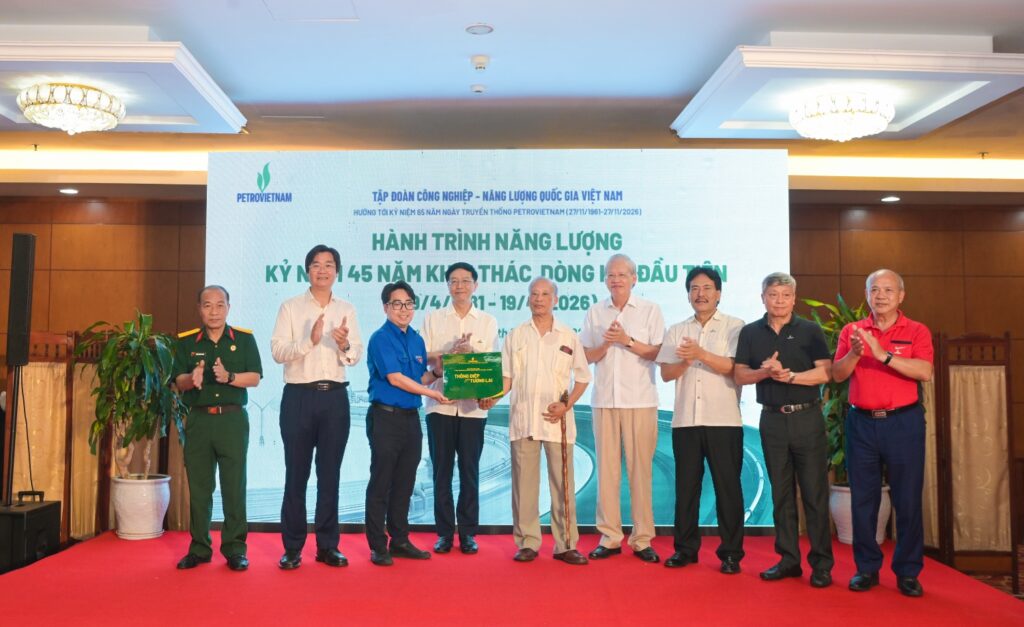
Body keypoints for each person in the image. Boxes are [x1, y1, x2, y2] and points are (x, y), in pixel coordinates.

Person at [832, 269, 933, 597]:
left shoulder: (916, 330)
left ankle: (908, 572)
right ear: (867, 295)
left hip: (903, 423)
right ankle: (866, 568)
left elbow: (924, 371)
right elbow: (837, 375)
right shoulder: (852, 330)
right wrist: (855, 353)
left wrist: (882, 355)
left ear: (901, 296)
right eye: (874, 290)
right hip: (861, 423)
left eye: (888, 290)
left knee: (907, 499)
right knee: (863, 499)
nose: (881, 296)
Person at [734, 272, 834, 588]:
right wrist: (764, 372)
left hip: (807, 418)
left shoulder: (810, 330)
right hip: (772, 420)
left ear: (794, 299)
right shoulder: (750, 332)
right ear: (762, 297)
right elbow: (739, 375)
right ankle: (788, 559)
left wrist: (789, 377)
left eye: (785, 295)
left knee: (814, 494)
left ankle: (821, 564)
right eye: (773, 295)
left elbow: (825, 373)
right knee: (781, 493)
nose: (779, 301)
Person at [270, 244, 363, 570]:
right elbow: (278, 352)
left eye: (329, 265)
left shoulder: (347, 309)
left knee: (330, 475)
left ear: (337, 271)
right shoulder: (290, 307)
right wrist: (309, 341)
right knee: (296, 475)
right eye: (316, 265)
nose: (323, 270)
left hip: (335, 399)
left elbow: (355, 355)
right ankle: (292, 547)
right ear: (307, 270)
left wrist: (344, 344)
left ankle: (328, 546)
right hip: (299, 397)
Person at [656, 266, 745, 573]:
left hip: (724, 420)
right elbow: (666, 374)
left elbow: (734, 368)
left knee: (727, 489)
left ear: (718, 293)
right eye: (694, 288)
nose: (700, 294)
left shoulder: (735, 326)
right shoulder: (676, 329)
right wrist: (685, 360)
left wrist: (700, 353)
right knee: (686, 488)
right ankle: (685, 549)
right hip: (686, 421)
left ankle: (731, 554)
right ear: (688, 294)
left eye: (707, 288)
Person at [497, 277, 591, 565]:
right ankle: (527, 542)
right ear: (528, 298)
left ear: (555, 300)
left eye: (545, 294)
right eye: (534, 294)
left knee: (563, 485)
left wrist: (566, 405)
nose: (538, 299)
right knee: (523, 486)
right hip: (524, 419)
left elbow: (583, 378)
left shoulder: (568, 336)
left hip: (557, 422)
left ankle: (566, 544)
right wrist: (489, 397)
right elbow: (506, 380)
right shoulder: (515, 336)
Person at [580, 254, 664, 563]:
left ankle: (642, 539)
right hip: (604, 400)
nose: (615, 280)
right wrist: (606, 344)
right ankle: (610, 537)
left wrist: (626, 340)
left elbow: (658, 353)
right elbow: (585, 355)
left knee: (640, 472)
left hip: (640, 400)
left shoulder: (650, 310)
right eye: (610, 275)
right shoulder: (595, 311)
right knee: (607, 472)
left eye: (621, 275)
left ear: (634, 278)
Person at [174, 285, 262, 571]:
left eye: (220, 305)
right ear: (199, 309)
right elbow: (177, 381)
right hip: (199, 421)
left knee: (234, 486)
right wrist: (192, 378)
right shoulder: (186, 342)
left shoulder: (244, 339)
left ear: (228, 307)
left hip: (232, 421)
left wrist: (229, 376)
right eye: (207, 305)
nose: (214, 311)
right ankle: (199, 548)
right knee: (200, 488)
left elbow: (255, 377)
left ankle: (235, 549)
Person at [365, 280, 451, 566]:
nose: (403, 309)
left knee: (405, 482)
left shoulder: (416, 339)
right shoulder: (380, 338)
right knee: (381, 482)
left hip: (411, 419)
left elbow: (419, 378)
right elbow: (395, 378)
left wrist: (437, 373)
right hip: (385, 418)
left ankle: (400, 540)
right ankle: (378, 545)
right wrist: (432, 393)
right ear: (386, 307)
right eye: (397, 304)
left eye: (409, 304)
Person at [422, 262, 498, 555]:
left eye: (465, 281)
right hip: (440, 405)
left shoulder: (487, 321)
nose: (460, 286)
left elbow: (491, 363)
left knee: (470, 471)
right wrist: (449, 353)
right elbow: (422, 357)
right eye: (454, 281)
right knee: (441, 472)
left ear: (475, 285)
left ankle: (467, 533)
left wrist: (471, 353)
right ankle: (444, 533)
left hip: (472, 409)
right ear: (447, 286)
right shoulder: (434, 318)